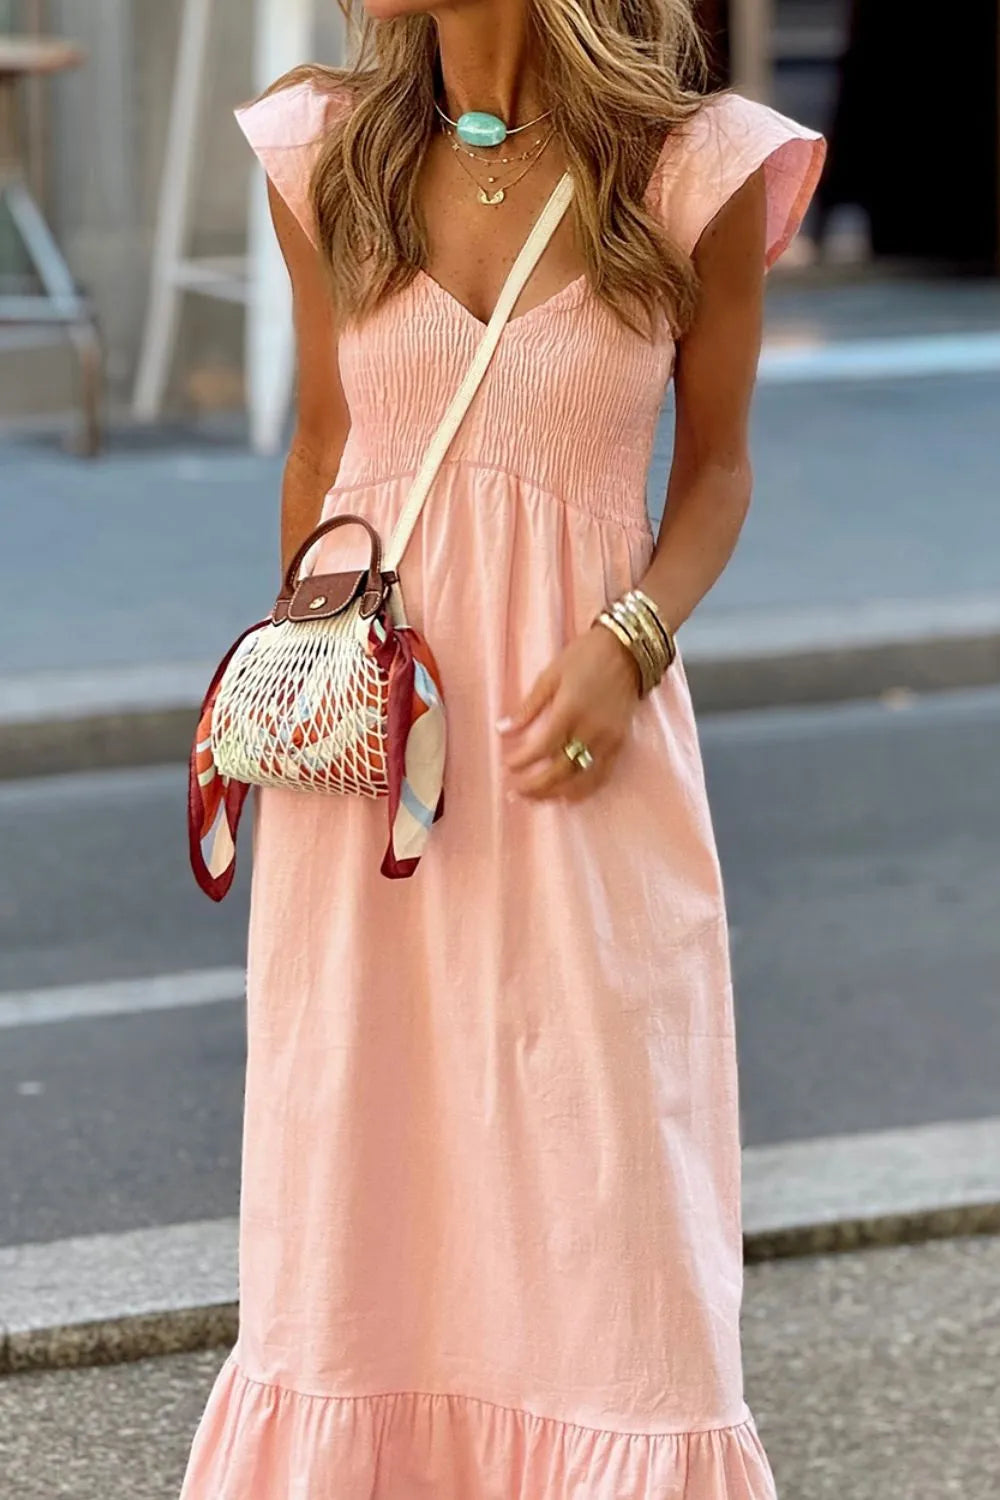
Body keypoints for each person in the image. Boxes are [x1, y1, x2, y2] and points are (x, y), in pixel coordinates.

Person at [179, 3, 824, 1496]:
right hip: (370, 776)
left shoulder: (696, 171)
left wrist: (637, 638)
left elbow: (718, 469)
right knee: (365, 1176)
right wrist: (299, 702)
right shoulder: (323, 154)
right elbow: (322, 453)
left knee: (610, 1191)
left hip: (577, 750)